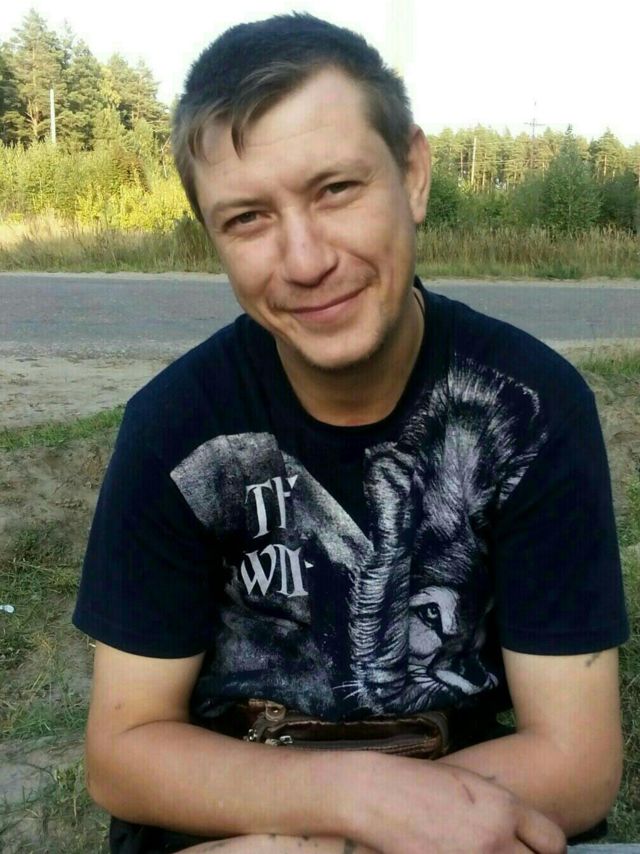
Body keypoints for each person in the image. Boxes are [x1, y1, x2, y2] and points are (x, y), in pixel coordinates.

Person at [72, 13, 629, 854]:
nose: (305, 261)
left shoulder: (528, 410)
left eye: (336, 189)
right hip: (239, 827)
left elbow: (577, 761)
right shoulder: (176, 431)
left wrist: (358, 831)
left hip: (469, 810)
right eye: (248, 218)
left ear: (413, 175)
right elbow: (123, 752)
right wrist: (351, 803)